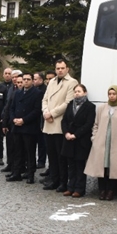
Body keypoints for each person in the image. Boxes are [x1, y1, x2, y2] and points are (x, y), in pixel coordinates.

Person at [86, 86, 117, 201]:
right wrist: (94, 138)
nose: (112, 96)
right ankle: (102, 190)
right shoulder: (101, 108)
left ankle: (110, 191)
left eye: (114, 94)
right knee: (102, 167)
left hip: (116, 143)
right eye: (110, 93)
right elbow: (96, 124)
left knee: (113, 168)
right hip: (101, 142)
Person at [42, 58, 78, 192]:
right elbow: (45, 99)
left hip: (59, 123)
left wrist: (52, 113)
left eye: (62, 68)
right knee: (51, 155)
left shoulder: (72, 82)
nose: (60, 70)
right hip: (48, 122)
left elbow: (68, 102)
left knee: (61, 156)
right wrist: (45, 112)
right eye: (58, 68)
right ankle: (54, 179)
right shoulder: (51, 81)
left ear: (67, 69)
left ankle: (63, 182)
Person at [6, 71, 43, 183]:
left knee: (29, 152)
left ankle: (30, 174)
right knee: (17, 151)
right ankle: (16, 172)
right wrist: (13, 119)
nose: (26, 81)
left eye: (28, 79)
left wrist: (24, 120)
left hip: (29, 127)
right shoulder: (17, 93)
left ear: (32, 81)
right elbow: (12, 108)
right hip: (17, 126)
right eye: (24, 80)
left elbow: (37, 111)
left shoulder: (37, 93)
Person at [60, 84, 96, 197]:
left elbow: (88, 124)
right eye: (75, 91)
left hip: (81, 140)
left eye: (79, 91)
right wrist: (66, 133)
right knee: (71, 165)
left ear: (84, 92)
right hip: (69, 139)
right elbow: (64, 120)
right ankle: (70, 187)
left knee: (80, 165)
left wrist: (76, 134)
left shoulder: (90, 106)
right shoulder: (71, 104)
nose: (77, 93)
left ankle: (79, 189)